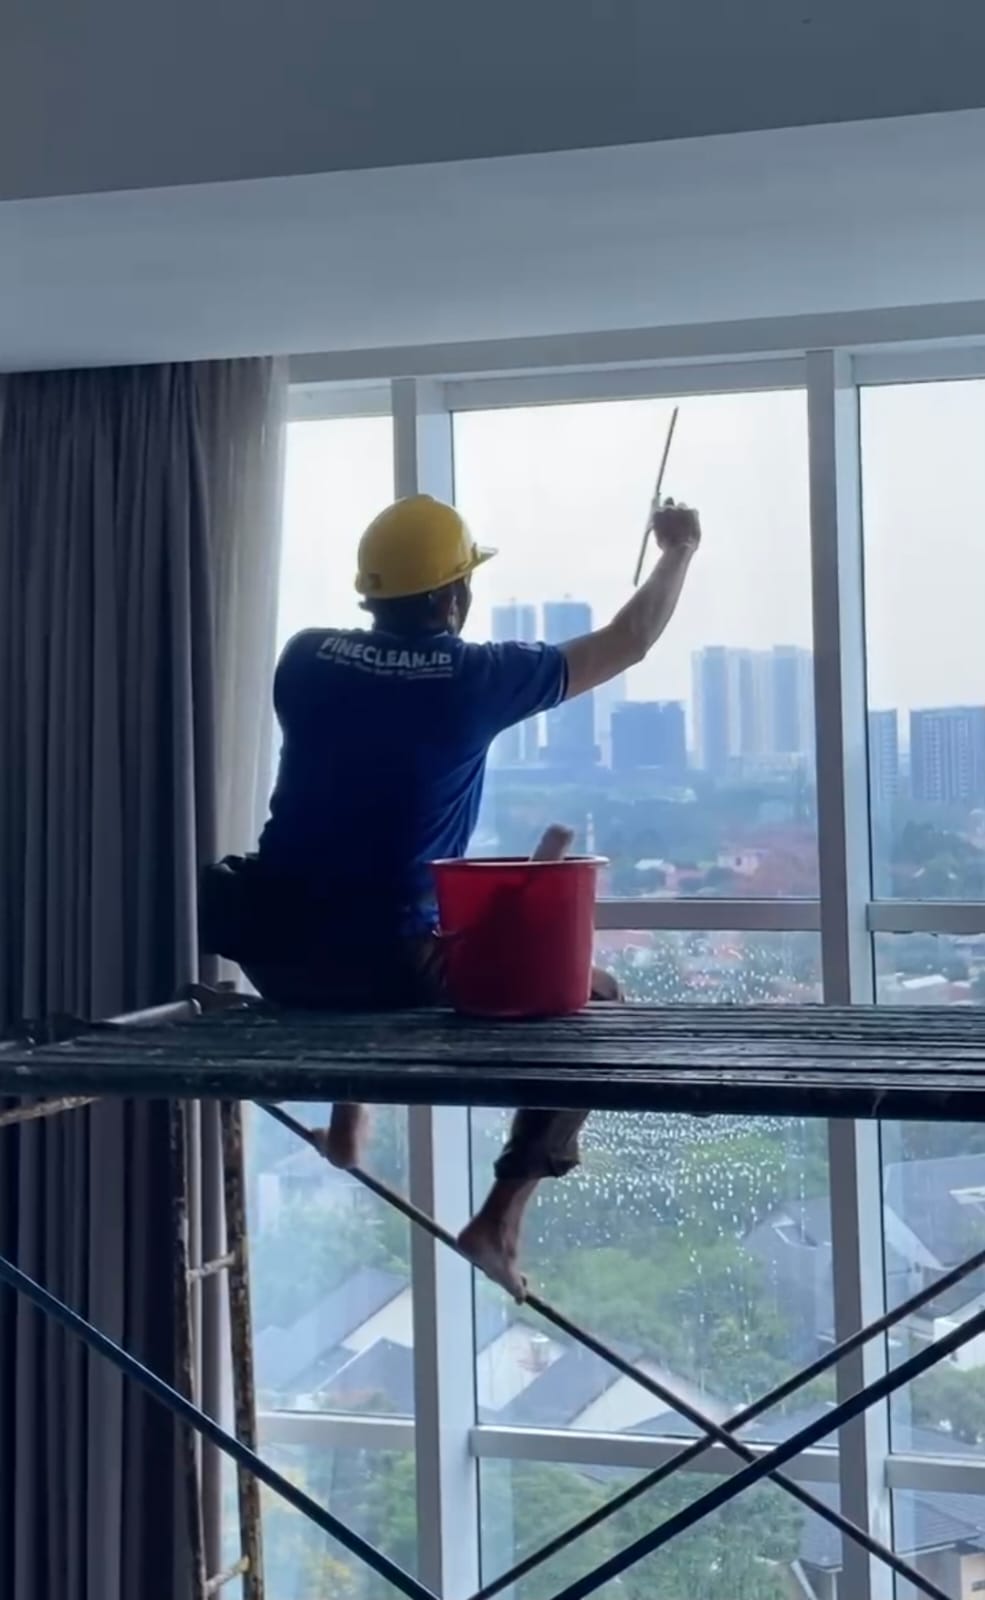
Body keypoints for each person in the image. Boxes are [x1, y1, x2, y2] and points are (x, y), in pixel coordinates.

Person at [201, 491, 700, 1296]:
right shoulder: (476, 678)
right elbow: (629, 639)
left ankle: (348, 1116)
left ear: (371, 593)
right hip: (384, 967)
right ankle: (498, 1223)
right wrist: (677, 548)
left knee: (359, 892)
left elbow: (353, 813)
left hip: (273, 954)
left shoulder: (305, 657)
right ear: (450, 598)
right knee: (597, 1002)